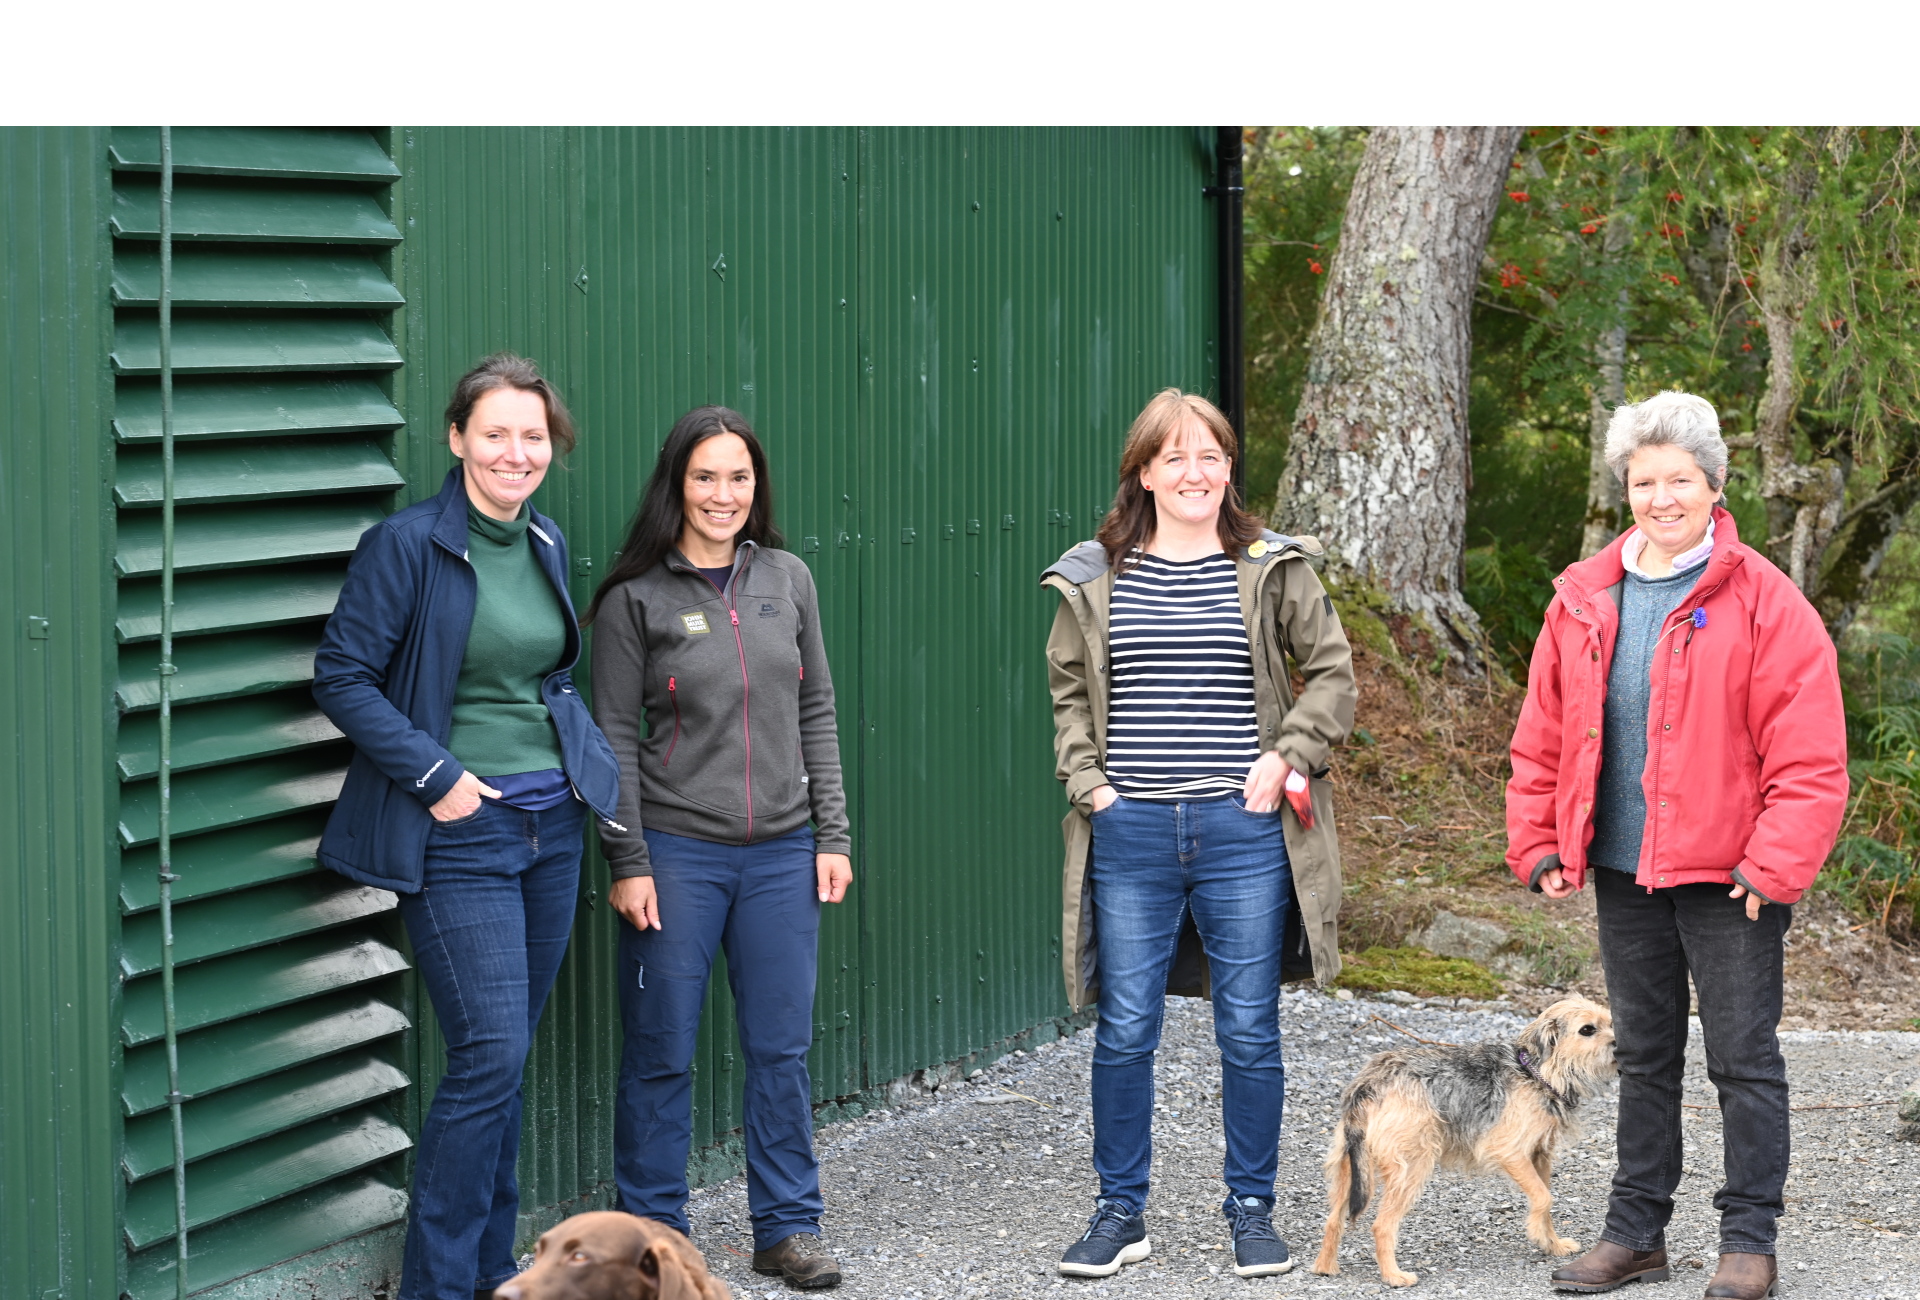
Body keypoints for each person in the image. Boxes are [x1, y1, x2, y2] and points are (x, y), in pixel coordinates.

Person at [1507, 391, 1849, 1299]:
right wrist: (1540, 839)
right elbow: (1543, 732)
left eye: (1680, 480)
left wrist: (1773, 865)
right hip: (1625, 872)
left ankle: (1749, 1241)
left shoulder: (1766, 601)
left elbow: (1811, 754)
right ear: (1626, 488)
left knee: (1744, 1061)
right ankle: (1636, 1235)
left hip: (1733, 879)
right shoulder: (1585, 597)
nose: (1661, 498)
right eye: (1644, 481)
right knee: (1646, 1059)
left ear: (1715, 483)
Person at [312, 354, 622, 1300]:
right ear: (456, 438)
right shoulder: (407, 545)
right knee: (489, 1055)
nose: (515, 453)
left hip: (551, 824)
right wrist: (438, 775)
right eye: (495, 433)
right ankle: (438, 1287)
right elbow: (341, 676)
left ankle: (492, 1273)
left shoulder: (545, 539)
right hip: (461, 834)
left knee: (506, 1061)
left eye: (533, 436)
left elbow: (542, 676)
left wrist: (578, 772)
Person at [1042, 388, 1356, 1281]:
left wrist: (1288, 754)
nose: (1195, 473)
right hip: (1130, 832)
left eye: (1210, 456)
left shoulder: (1271, 567)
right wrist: (1089, 784)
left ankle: (1252, 1211)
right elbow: (1069, 694)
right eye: (1174, 457)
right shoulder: (1094, 574)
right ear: (1144, 472)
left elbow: (1333, 674)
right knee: (1125, 1030)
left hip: (1242, 831)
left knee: (1248, 1029)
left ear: (1227, 469)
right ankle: (1120, 1211)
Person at [583, 406, 853, 1291]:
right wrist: (629, 860)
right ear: (677, 484)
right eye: (705, 476)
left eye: (738, 477)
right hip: (675, 855)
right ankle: (654, 1242)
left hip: (781, 856)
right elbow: (612, 737)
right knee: (661, 1049)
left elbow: (815, 709)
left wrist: (832, 835)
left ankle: (787, 1228)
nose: (722, 494)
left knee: (780, 1049)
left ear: (755, 485)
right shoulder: (635, 598)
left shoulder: (788, 578)